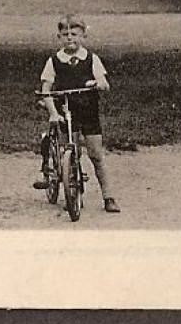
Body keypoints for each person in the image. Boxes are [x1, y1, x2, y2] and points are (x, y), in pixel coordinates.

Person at [33, 15, 120, 213]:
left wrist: (100, 83)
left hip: (88, 109)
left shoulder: (91, 58)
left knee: (96, 154)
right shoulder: (54, 61)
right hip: (64, 108)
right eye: (65, 34)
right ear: (59, 37)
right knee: (68, 150)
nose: (70, 38)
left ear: (83, 35)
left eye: (74, 34)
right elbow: (46, 88)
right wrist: (53, 112)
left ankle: (108, 196)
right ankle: (66, 188)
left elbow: (103, 81)